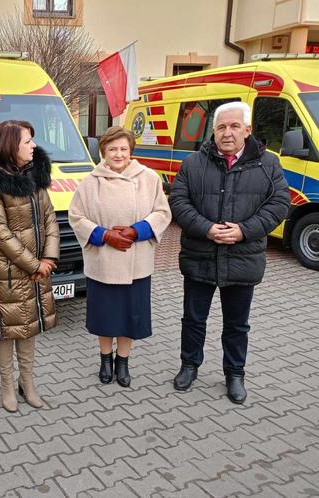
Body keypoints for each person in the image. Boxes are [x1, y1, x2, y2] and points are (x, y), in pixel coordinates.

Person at [169, 101, 290, 404]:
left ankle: (235, 374)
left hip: (242, 259)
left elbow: (279, 204)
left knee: (237, 324)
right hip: (200, 255)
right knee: (193, 319)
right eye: (222, 126)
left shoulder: (268, 164)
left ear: (248, 130)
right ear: (214, 130)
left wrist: (244, 230)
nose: (227, 132)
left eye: (235, 126)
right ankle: (189, 365)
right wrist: (207, 228)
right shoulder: (192, 163)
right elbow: (179, 203)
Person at [69, 126, 171, 387]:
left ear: (131, 151)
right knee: (105, 316)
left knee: (130, 316)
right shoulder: (90, 182)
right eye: (112, 149)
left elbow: (162, 213)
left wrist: (137, 230)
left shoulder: (149, 178)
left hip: (135, 261)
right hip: (103, 261)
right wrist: (103, 235)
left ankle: (123, 362)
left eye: (123, 149)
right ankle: (105, 359)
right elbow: (76, 217)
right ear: (103, 151)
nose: (118, 154)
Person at [0, 120, 60, 412]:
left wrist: (48, 259)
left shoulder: (35, 174)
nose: (34, 146)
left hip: (37, 268)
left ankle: (29, 383)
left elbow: (50, 218)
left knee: (29, 326)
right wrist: (33, 264)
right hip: (8, 272)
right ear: (11, 146)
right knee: (7, 327)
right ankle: (7, 386)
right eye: (27, 141)